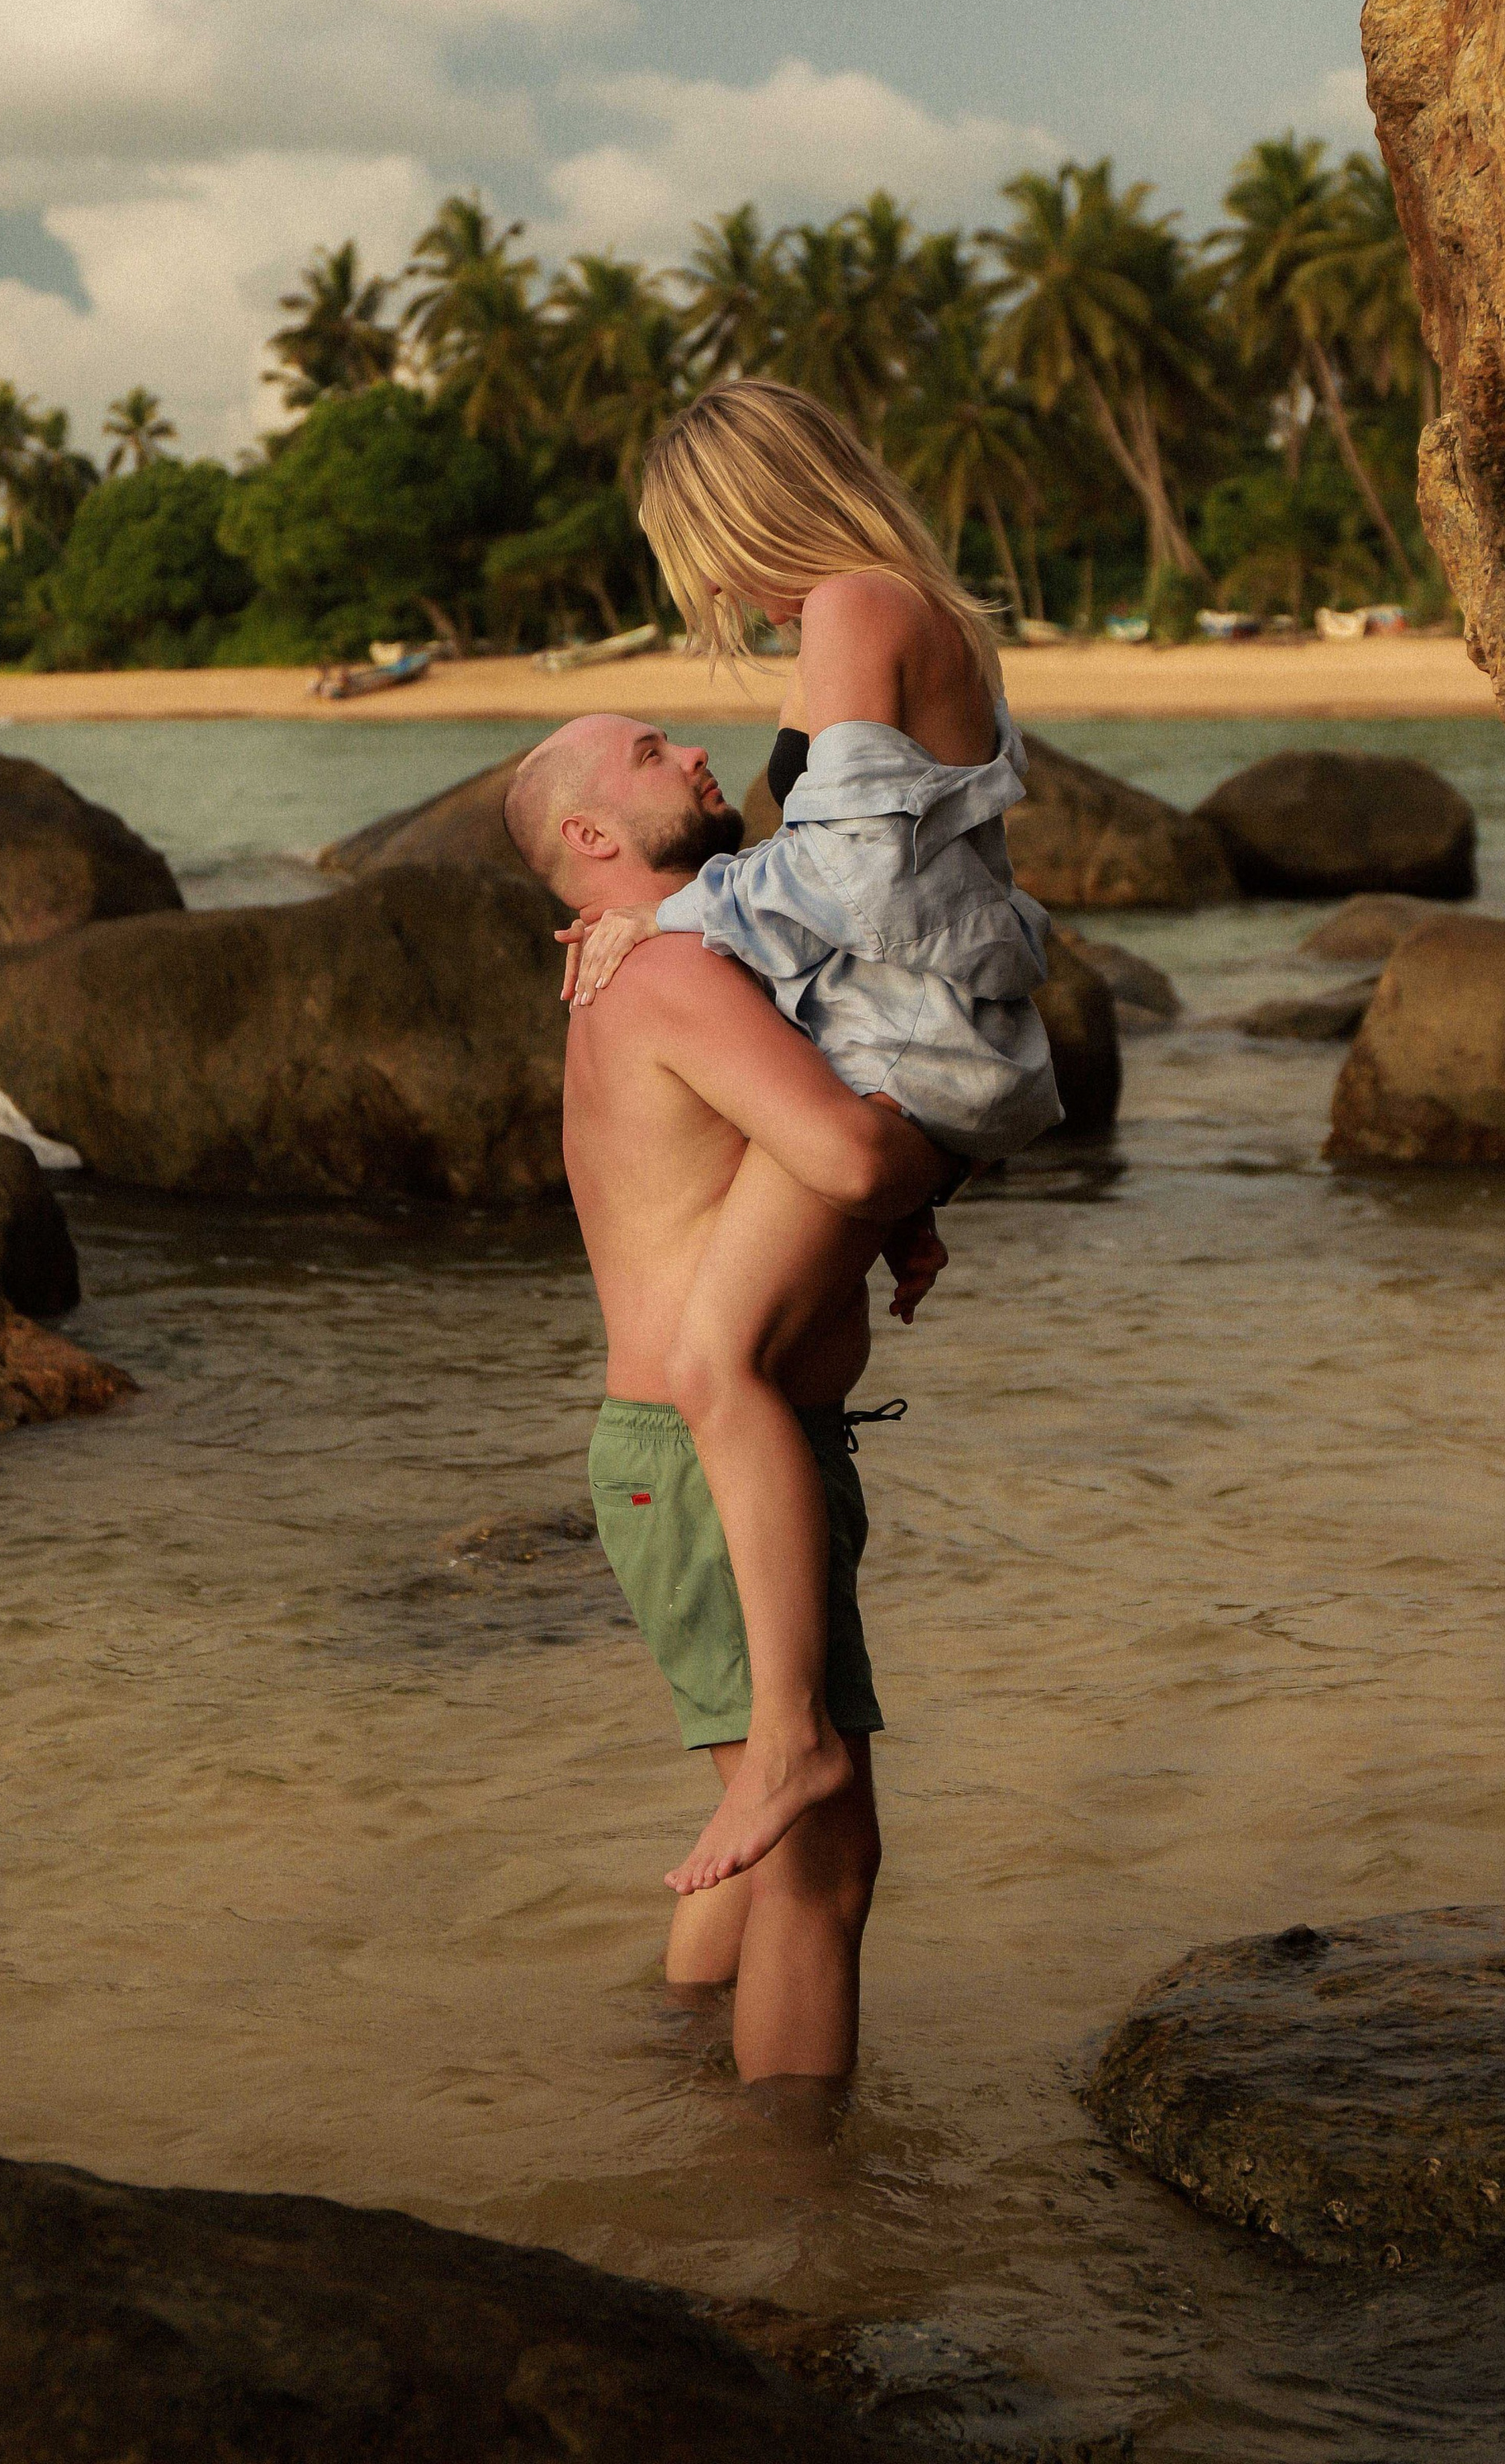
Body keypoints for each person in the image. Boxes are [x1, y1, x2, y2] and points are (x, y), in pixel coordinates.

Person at [553, 385, 1063, 1905]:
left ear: (748, 509)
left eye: (704, 555)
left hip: (911, 1049)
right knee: (747, 1362)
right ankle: (782, 1760)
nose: (718, 594)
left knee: (713, 1369)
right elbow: (920, 881)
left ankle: (791, 1741)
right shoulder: (911, 616)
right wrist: (907, 1192)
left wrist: (660, 924)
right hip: (916, 1046)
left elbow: (841, 883)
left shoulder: (854, 602)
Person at [504, 713, 942, 2081]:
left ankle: (680, 2084)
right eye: (647, 753)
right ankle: (796, 2220)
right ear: (590, 837)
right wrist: (969, 1110)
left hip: (692, 1454)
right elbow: (854, 1163)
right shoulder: (671, 974)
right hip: (707, 1453)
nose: (692, 751)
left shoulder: (643, 967)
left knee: (766, 1835)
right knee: (823, 1859)